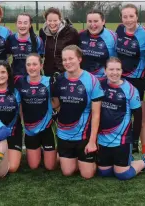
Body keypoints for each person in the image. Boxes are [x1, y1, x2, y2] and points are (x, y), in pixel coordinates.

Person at [97, 57, 145, 180]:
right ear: (105, 70)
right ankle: (126, 160)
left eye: (118, 69)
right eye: (111, 69)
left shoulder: (130, 89)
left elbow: (138, 117)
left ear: (122, 70)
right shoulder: (99, 85)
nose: (115, 72)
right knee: (104, 173)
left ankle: (144, 161)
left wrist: (134, 141)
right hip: (103, 140)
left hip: (122, 141)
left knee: (122, 174)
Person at [51, 45, 103, 179]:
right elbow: (56, 105)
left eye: (71, 59)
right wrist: (50, 90)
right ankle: (63, 156)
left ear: (79, 59)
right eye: (64, 60)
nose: (67, 62)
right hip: (64, 134)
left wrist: (92, 141)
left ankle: (97, 154)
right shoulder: (60, 79)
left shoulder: (92, 80)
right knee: (67, 172)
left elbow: (96, 114)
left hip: (83, 136)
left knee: (87, 174)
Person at [115, 4, 145, 154]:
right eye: (125, 16)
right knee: (123, 116)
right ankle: (125, 149)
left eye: (131, 16)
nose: (128, 20)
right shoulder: (119, 30)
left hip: (139, 80)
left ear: (137, 16)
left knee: (142, 119)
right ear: (121, 18)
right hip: (121, 80)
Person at [15, 54, 56, 170]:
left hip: (47, 128)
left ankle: (56, 153)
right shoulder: (21, 82)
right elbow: (20, 105)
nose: (31, 67)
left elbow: (56, 102)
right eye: (28, 64)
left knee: (50, 166)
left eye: (34, 64)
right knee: (33, 166)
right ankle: (40, 151)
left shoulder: (49, 81)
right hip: (30, 130)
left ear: (41, 65)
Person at [39, 7, 79, 76]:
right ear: (46, 20)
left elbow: (78, 52)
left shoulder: (71, 32)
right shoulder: (43, 32)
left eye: (55, 20)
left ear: (60, 20)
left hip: (67, 72)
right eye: (49, 20)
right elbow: (41, 52)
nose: (52, 23)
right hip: (48, 72)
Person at [79, 10, 116, 78]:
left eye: (96, 21)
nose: (92, 24)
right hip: (84, 77)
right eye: (89, 21)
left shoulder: (113, 36)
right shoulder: (80, 35)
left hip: (104, 78)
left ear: (103, 21)